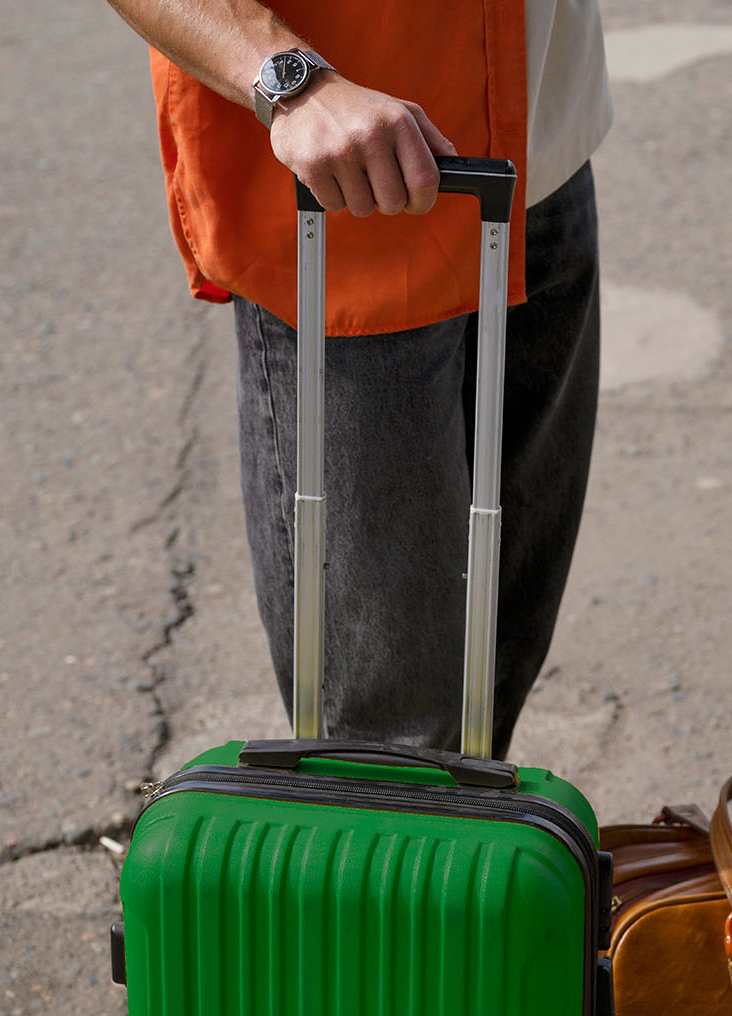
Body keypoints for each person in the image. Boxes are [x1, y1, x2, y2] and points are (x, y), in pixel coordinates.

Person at [105, 1, 612, 758]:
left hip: (541, 143)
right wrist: (293, 82)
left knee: (492, 688)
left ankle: (462, 865)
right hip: (351, 199)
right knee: (389, 740)